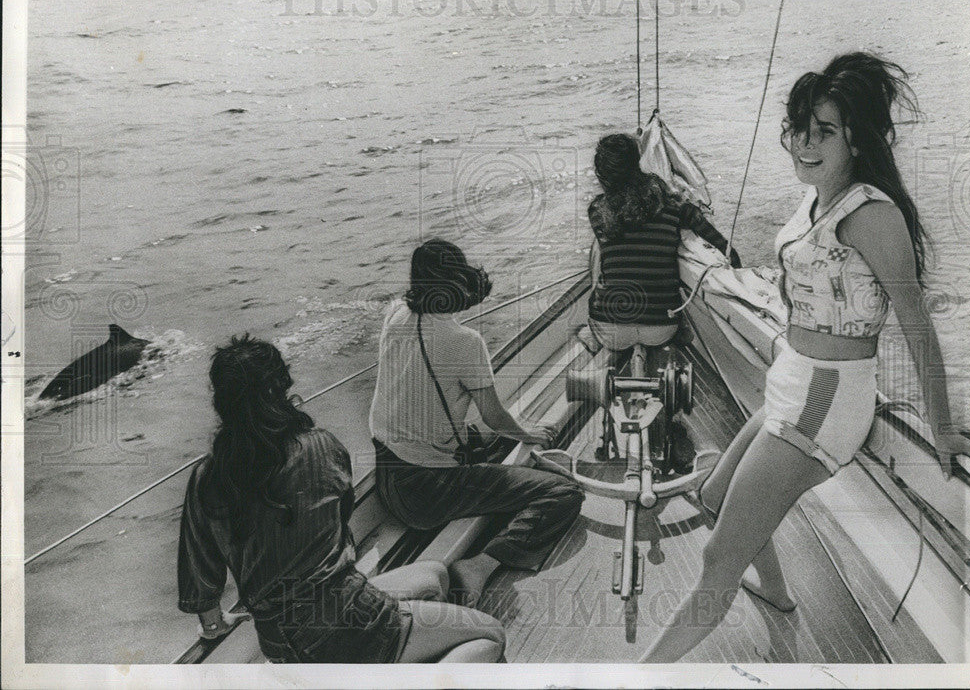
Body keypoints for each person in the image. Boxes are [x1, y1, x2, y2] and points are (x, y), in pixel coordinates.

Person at [642, 52, 970, 662]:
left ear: (857, 138)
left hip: (824, 399)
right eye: (799, 129)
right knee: (711, 498)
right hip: (791, 381)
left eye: (824, 131)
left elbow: (917, 325)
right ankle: (778, 594)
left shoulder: (871, 214)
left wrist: (944, 427)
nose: (805, 143)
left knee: (715, 562)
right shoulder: (817, 196)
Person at [178, 335, 505, 663]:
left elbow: (201, 573)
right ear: (280, 387)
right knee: (490, 635)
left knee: (435, 574)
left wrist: (213, 623)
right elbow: (340, 519)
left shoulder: (206, 476)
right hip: (350, 621)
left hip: (281, 643)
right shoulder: (320, 447)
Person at [370, 239, 584, 606]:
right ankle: (481, 566)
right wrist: (527, 434)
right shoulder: (464, 341)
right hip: (427, 494)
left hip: (388, 475)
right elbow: (493, 415)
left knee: (481, 438)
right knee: (563, 493)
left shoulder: (396, 313)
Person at [586, 133, 739, 470]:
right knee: (670, 328)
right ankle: (670, 411)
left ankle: (605, 369)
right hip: (661, 326)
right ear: (638, 163)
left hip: (611, 327)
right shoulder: (673, 205)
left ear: (602, 174)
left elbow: (606, 254)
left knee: (605, 310)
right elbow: (726, 247)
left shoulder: (597, 209)